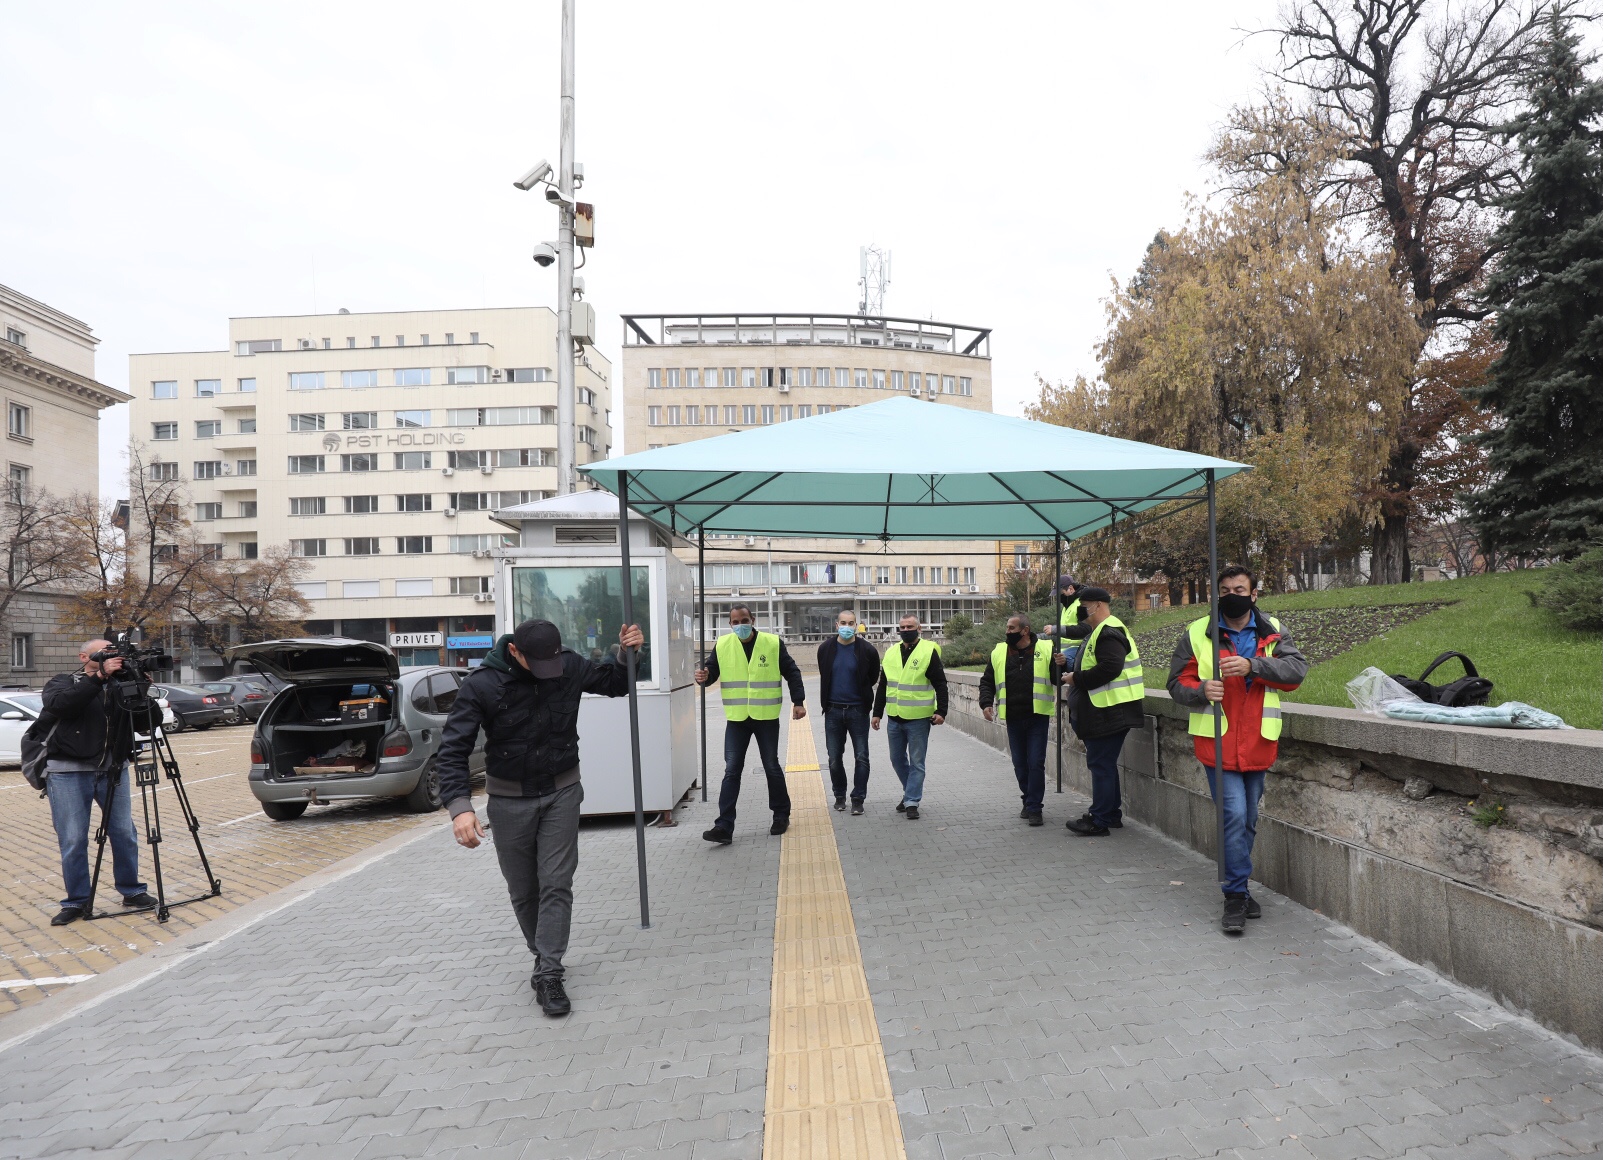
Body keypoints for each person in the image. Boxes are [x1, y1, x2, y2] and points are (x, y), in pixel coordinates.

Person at [438, 617, 645, 1016]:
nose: (550, 672)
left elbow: (616, 684)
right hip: (508, 800)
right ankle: (541, 953)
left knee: (556, 882)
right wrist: (460, 808)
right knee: (523, 890)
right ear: (514, 651)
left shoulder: (566, 664)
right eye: (538, 663)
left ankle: (549, 971)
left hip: (562, 793)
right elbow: (452, 750)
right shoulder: (482, 685)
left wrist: (627, 653)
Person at [1167, 566, 1308, 935]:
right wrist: (1200, 691)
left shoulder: (1272, 628)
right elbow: (1176, 682)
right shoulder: (1198, 632)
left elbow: (1296, 671)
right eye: (1226, 589)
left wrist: (1253, 665)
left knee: (1247, 820)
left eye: (1240, 588)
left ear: (1254, 594)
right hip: (1218, 743)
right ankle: (1234, 895)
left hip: (1259, 742)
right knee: (1233, 816)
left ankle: (1241, 887)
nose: (1233, 594)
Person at [40, 640, 157, 926]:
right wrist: (100, 677)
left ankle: (131, 891)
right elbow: (60, 706)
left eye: (115, 652)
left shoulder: (120, 686)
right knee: (73, 838)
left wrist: (141, 689)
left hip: (113, 769)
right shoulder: (64, 682)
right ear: (84, 656)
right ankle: (77, 901)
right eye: (106, 651)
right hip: (68, 772)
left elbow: (148, 723)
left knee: (124, 832)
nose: (113, 656)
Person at [695, 604, 807, 844]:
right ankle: (724, 826)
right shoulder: (723, 645)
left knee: (771, 766)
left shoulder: (772, 643)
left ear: (753, 620)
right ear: (730, 624)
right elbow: (711, 671)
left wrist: (798, 701)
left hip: (765, 716)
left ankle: (780, 815)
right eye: (735, 622)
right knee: (731, 770)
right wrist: (703, 677)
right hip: (737, 718)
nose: (740, 625)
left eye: (744, 620)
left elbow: (792, 672)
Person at [1061, 587, 1145, 837]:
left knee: (1100, 765)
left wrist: (1076, 678)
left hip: (1110, 710)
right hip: (1105, 710)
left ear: (1097, 605)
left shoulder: (1109, 631)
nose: (1080, 610)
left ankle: (1099, 820)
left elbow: (1111, 667)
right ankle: (1110, 815)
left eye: (1083, 604)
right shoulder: (1098, 631)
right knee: (1104, 764)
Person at [979, 613, 1064, 826]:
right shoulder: (999, 652)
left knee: (1035, 763)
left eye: (1011, 628)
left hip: (1037, 717)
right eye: (1007, 628)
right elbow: (987, 681)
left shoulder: (1045, 649)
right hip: (1013, 718)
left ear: (1025, 630)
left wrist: (1061, 665)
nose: (1007, 632)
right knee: (1020, 765)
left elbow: (1057, 680)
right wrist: (986, 703)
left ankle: (1035, 807)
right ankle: (1027, 799)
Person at [872, 613, 948, 820]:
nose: (905, 630)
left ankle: (912, 801)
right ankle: (909, 794)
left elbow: (940, 683)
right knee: (896, 759)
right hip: (895, 717)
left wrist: (941, 711)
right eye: (902, 627)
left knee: (917, 762)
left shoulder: (928, 651)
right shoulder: (891, 653)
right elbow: (884, 685)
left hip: (919, 719)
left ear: (919, 628)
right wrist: (877, 713)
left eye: (909, 627)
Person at [817, 609, 880, 815]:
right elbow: (824, 673)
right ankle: (839, 795)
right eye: (843, 623)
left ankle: (858, 798)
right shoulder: (825, 648)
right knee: (834, 758)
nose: (846, 627)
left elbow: (871, 678)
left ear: (856, 625)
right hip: (833, 711)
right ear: (836, 625)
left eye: (851, 623)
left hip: (858, 711)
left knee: (862, 756)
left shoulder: (867, 650)